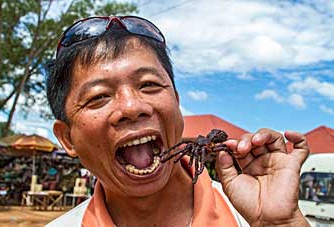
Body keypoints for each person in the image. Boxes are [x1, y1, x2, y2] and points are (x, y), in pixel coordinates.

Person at [45, 15, 311, 227]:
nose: (132, 106)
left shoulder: (252, 215)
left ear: (177, 102)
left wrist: (281, 223)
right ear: (67, 138)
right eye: (98, 96)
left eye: (149, 84)